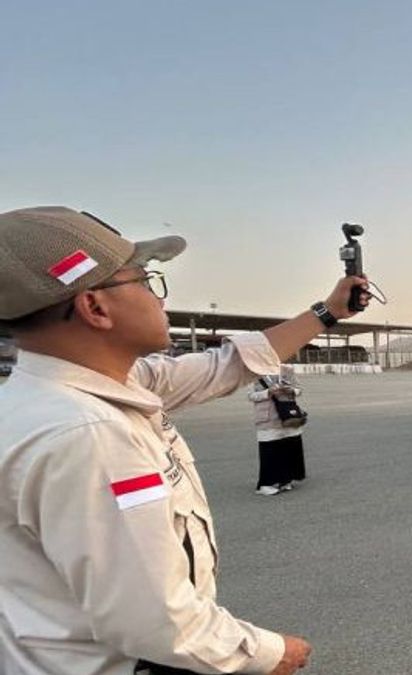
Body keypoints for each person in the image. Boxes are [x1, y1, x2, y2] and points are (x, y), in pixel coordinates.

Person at [0, 206, 369, 674]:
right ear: (95, 307)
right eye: (145, 281)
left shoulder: (92, 388)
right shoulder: (87, 435)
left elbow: (226, 366)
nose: (160, 299)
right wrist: (273, 654)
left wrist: (329, 312)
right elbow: (157, 622)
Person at [249, 364, 307, 495]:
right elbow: (251, 395)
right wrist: (268, 392)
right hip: (268, 417)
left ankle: (286, 480)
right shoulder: (255, 372)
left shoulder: (287, 370)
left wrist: (291, 390)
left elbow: (299, 390)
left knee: (290, 447)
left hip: (288, 415)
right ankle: (265, 484)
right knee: (269, 450)